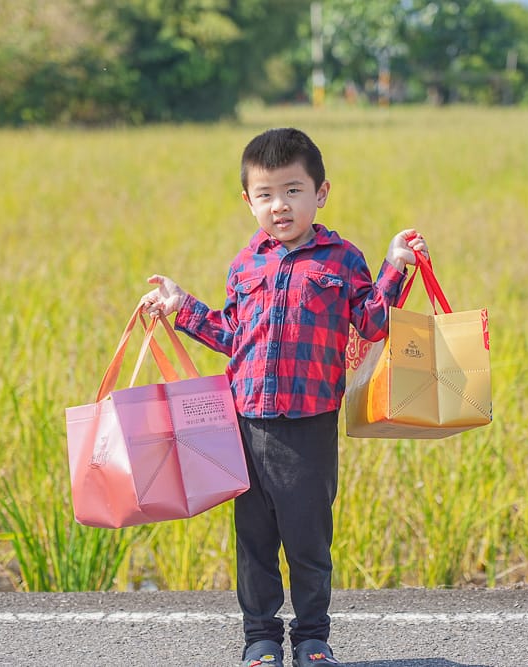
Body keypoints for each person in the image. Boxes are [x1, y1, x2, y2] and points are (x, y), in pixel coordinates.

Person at [139, 127, 426, 667]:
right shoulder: (246, 263)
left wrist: (395, 266)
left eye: (293, 190)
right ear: (248, 201)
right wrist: (180, 306)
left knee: (309, 541)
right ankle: (261, 639)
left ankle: (314, 637)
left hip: (309, 427)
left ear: (321, 194)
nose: (280, 205)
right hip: (244, 424)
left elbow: (370, 322)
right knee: (254, 543)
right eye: (266, 195)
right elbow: (231, 335)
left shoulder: (341, 259)